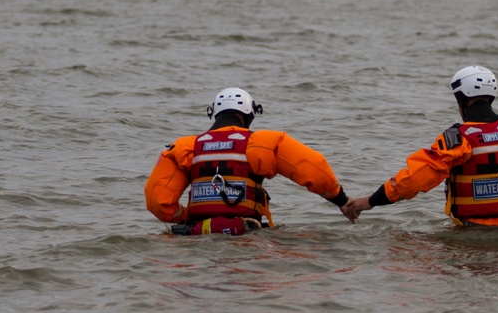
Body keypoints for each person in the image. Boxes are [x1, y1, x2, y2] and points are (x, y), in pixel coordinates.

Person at [345, 66, 498, 229]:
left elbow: (413, 180)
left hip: (475, 233)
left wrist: (369, 202)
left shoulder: (457, 140)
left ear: (460, 101)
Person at [145, 87, 355, 235]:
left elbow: (158, 200)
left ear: (214, 114)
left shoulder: (185, 147)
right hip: (247, 235)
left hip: (198, 233)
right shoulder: (263, 142)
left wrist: (185, 218)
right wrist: (342, 201)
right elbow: (314, 169)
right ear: (250, 114)